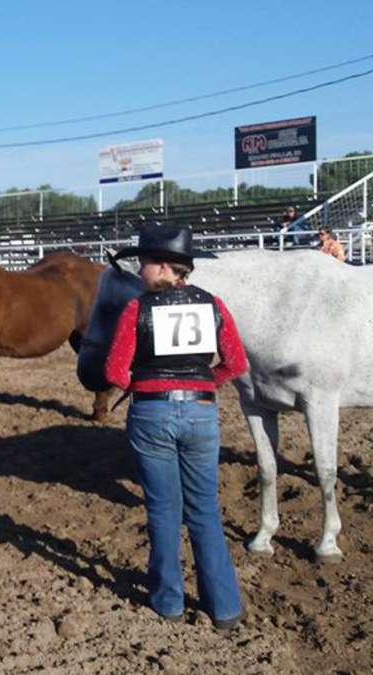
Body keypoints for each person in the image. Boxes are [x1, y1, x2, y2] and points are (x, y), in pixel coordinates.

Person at [105, 223, 247, 631]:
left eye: (144, 263)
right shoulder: (214, 305)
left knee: (164, 510)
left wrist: (148, 387)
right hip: (202, 412)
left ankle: (168, 601)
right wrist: (202, 384)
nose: (140, 270)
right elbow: (236, 364)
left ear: (164, 266)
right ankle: (224, 606)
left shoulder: (137, 308)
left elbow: (115, 371)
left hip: (152, 414)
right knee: (205, 510)